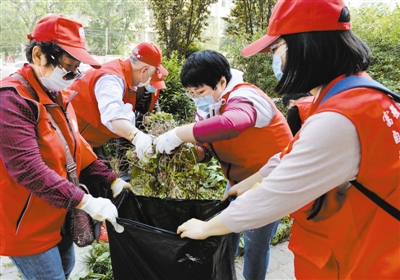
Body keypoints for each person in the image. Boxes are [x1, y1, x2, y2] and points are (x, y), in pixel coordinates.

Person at [176, 1, 399, 279]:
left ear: (307, 45)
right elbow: (290, 157)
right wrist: (248, 183)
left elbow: (277, 194)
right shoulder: (357, 97)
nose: (276, 60)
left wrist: (208, 227)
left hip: (364, 262)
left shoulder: (341, 118)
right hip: (365, 247)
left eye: (277, 49)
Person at [0, 15, 131, 279]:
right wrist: (85, 201)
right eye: (68, 67)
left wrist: (111, 180)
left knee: (66, 270)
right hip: (28, 224)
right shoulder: (11, 100)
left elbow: (75, 146)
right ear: (39, 55)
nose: (73, 76)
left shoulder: (56, 94)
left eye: (77, 69)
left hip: (59, 214)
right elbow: (30, 171)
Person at [154, 50, 292, 280]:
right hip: (236, 181)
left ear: (221, 81)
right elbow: (209, 146)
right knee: (226, 234)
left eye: (200, 91)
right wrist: (189, 156)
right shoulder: (208, 105)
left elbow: (230, 125)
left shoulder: (245, 96)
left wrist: (178, 133)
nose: (197, 97)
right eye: (191, 93)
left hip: (267, 182)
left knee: (255, 243)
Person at [68, 42, 168, 163]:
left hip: (85, 140)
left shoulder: (126, 80)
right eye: (152, 74)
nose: (151, 79)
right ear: (144, 70)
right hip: (70, 140)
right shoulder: (111, 79)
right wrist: (136, 136)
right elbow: (114, 115)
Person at [116, 73, 165, 182]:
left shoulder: (154, 89)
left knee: (144, 145)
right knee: (124, 144)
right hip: (128, 119)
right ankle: (123, 172)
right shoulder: (134, 88)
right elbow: (127, 107)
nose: (155, 88)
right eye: (154, 84)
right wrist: (143, 117)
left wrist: (158, 114)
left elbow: (155, 103)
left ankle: (140, 168)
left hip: (142, 120)